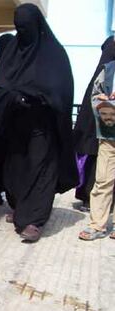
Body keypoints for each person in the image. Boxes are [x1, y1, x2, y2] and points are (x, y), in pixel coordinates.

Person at [0, 3, 78, 242]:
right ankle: (19, 207)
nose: (22, 33)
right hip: (15, 123)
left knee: (40, 169)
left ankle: (34, 220)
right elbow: (0, 87)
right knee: (16, 168)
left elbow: (62, 90)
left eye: (26, 28)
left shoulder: (54, 54)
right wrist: (14, 97)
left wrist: (40, 97)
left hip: (42, 126)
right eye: (18, 29)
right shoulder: (12, 52)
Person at [73, 36, 115, 211]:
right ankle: (92, 199)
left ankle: (91, 199)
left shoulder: (102, 74)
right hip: (101, 133)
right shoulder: (105, 75)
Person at [79, 60, 115, 241]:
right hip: (109, 136)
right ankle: (97, 225)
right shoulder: (108, 70)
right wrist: (103, 101)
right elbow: (94, 97)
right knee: (103, 180)